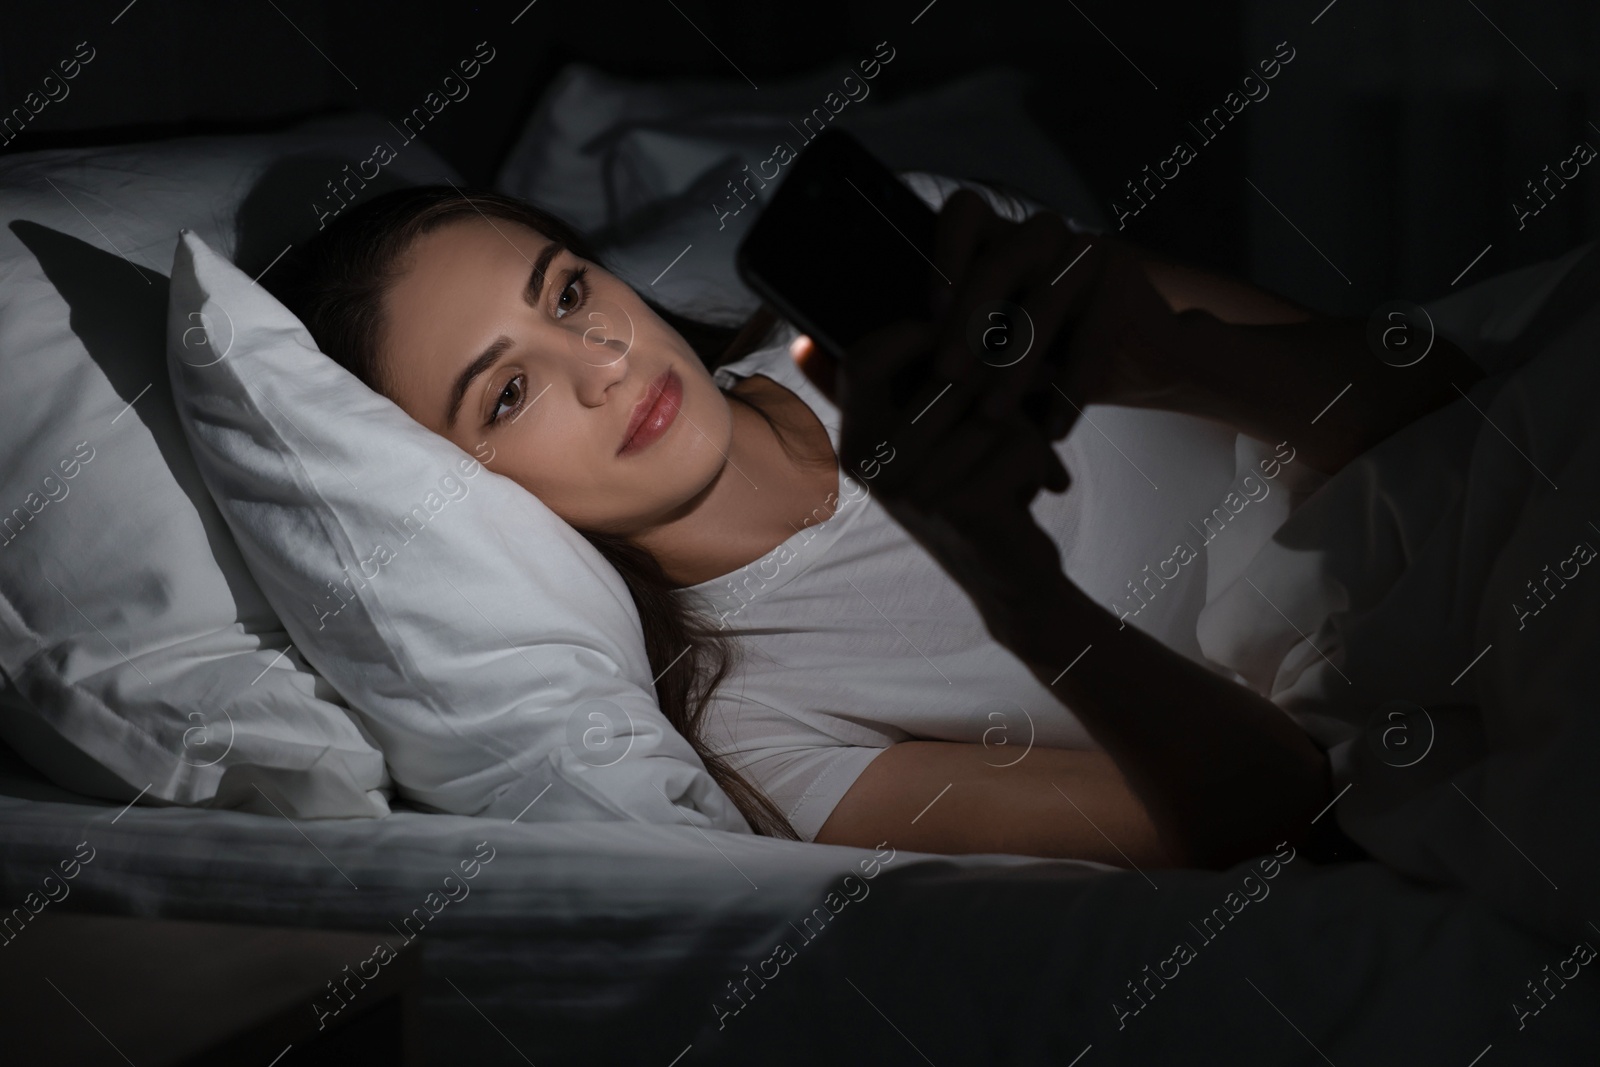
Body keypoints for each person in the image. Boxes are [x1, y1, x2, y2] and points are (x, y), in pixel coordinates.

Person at [266, 184, 1483, 870]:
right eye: (508, 392)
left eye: (568, 290)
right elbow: (1279, 810)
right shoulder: (764, 732)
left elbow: (1441, 393)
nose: (595, 362)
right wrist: (1013, 585)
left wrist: (1167, 360)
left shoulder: (916, 292)